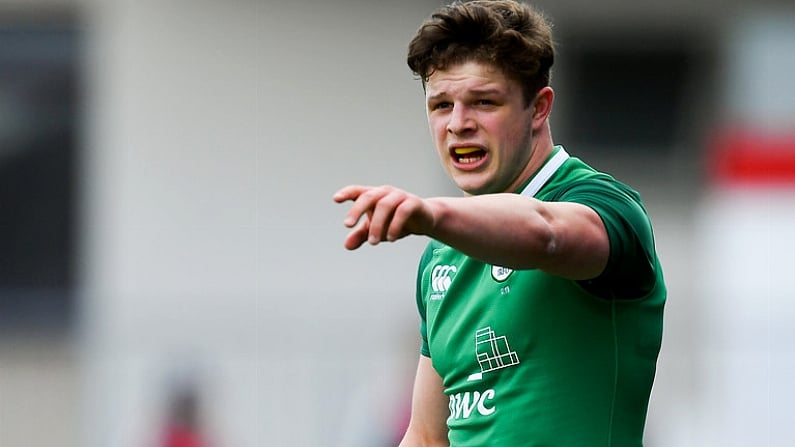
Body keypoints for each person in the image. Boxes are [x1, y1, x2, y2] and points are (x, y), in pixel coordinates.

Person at [333, 1, 666, 445]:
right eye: (441, 105)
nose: (457, 124)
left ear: (539, 108)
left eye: (483, 102)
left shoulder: (606, 204)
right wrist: (439, 224)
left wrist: (433, 214)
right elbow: (428, 435)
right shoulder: (442, 252)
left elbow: (546, 233)